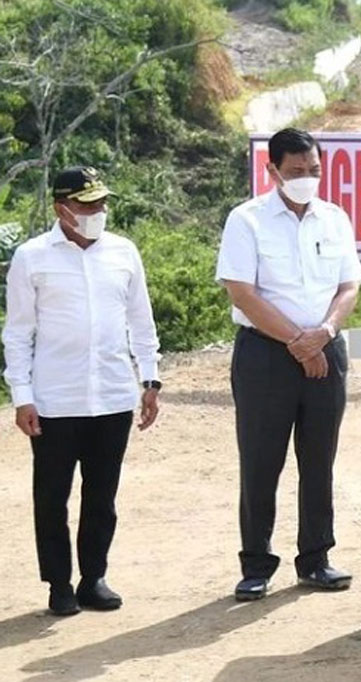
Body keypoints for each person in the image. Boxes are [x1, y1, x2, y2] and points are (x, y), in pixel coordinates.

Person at [216, 128, 361, 601]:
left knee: (319, 459)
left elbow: (349, 286)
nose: (307, 179)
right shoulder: (248, 220)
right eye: (296, 171)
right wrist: (297, 343)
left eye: (314, 170)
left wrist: (322, 334)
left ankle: (316, 558)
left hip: (326, 350)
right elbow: (242, 291)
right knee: (261, 461)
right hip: (265, 354)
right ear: (273, 171)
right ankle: (256, 563)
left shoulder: (334, 218)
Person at [3, 166, 161, 616]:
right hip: (55, 399)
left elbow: (141, 322)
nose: (99, 212)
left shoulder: (123, 252)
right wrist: (22, 395)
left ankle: (94, 578)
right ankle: (58, 584)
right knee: (52, 496)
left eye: (102, 203)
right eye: (88, 205)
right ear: (62, 209)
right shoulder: (33, 258)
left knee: (102, 496)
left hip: (111, 395)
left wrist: (150, 380)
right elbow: (18, 334)